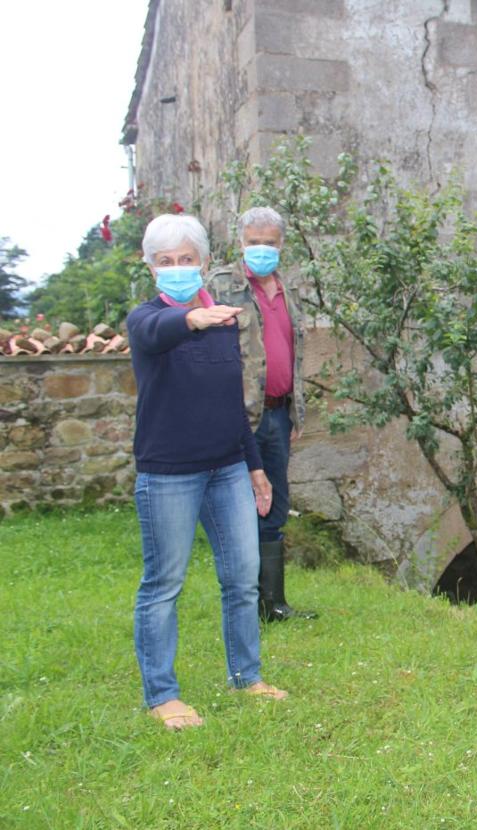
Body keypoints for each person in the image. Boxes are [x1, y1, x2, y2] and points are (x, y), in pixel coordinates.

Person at [127, 213, 288, 731]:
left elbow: (232, 405)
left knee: (241, 578)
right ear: (151, 267)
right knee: (164, 584)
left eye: (186, 259)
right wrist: (191, 319)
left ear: (202, 262)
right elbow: (154, 333)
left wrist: (255, 468)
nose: (177, 268)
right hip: (170, 474)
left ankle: (247, 676)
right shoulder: (146, 319)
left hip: (226, 470)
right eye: (166, 261)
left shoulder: (223, 322)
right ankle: (163, 695)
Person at [208, 206, 316, 622]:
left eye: (269, 243)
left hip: (279, 415)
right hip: (240, 418)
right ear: (241, 243)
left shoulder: (290, 290)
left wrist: (295, 413)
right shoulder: (221, 287)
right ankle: (246, 603)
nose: (261, 250)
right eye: (254, 243)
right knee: (242, 504)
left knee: (275, 504)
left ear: (281, 245)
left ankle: (273, 605)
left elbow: (297, 353)